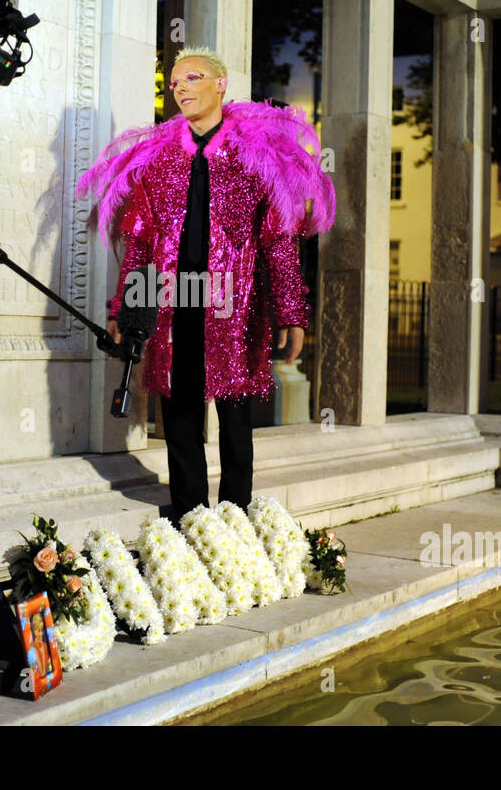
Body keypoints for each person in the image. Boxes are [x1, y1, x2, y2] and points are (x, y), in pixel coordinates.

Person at [77, 47, 335, 520]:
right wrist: (124, 311)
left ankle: (236, 522)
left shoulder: (255, 154)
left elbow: (279, 241)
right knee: (179, 416)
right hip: (176, 303)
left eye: (192, 77)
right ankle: (191, 517)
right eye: (174, 81)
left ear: (221, 84)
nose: (181, 87)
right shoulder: (157, 158)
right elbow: (139, 241)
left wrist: (292, 314)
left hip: (234, 304)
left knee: (236, 421)